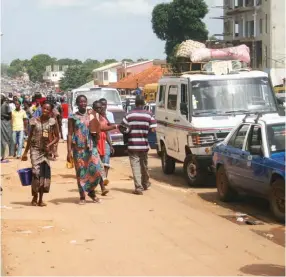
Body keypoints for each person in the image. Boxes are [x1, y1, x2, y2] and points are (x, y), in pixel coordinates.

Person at [67, 95, 108, 205]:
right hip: (78, 149)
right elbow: (70, 134)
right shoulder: (73, 117)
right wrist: (68, 151)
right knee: (81, 173)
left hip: (91, 147)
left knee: (96, 169)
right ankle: (82, 196)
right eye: (80, 102)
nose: (83, 104)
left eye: (84, 102)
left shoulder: (92, 115)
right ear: (77, 103)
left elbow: (100, 127)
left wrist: (114, 127)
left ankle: (91, 192)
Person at [22, 101, 60, 206]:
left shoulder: (53, 122)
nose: (45, 111)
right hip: (35, 149)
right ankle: (34, 196)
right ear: (41, 108)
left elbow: (57, 137)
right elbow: (29, 137)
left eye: (48, 109)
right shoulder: (34, 121)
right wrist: (25, 152)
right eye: (44, 108)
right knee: (35, 173)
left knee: (44, 174)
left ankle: (40, 199)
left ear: (50, 111)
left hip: (45, 152)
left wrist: (50, 145)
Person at [121, 95, 157, 195]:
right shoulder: (149, 115)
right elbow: (153, 129)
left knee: (135, 166)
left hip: (132, 145)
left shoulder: (129, 115)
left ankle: (138, 188)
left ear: (135, 103)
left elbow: (122, 128)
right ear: (144, 104)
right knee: (144, 165)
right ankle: (145, 183)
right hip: (144, 145)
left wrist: (128, 131)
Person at [99, 98, 115, 177]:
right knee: (99, 161)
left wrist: (105, 117)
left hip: (106, 140)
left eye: (105, 105)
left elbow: (111, 127)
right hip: (98, 141)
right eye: (101, 104)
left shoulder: (110, 114)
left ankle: (105, 178)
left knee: (106, 160)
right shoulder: (95, 115)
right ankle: (100, 178)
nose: (103, 106)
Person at [1, 94, 13, 162]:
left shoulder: (6, 105)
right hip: (2, 123)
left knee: (5, 139)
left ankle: (4, 157)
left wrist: (2, 115)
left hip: (5, 124)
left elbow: (10, 115)